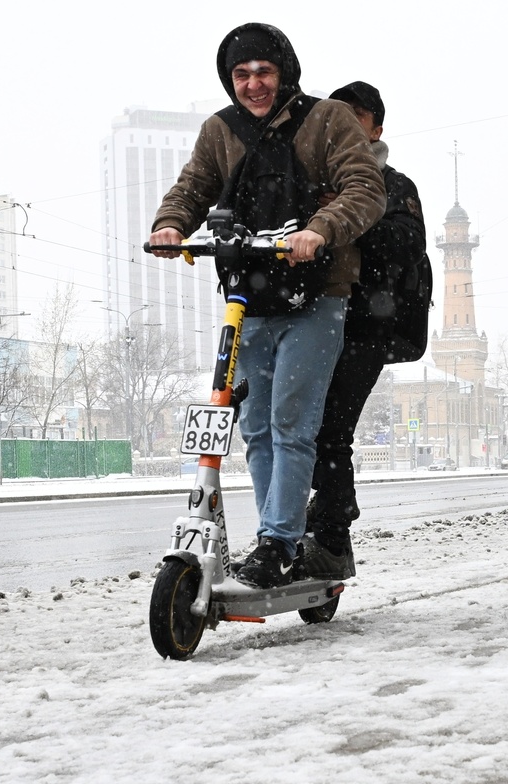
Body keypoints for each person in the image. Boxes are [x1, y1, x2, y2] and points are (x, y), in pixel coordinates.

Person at [148, 23, 385, 589]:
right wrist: (171, 223)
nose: (253, 84)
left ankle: (278, 541)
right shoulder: (220, 130)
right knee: (255, 426)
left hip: (316, 294)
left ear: (285, 72)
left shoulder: (326, 119)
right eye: (241, 74)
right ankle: (277, 539)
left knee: (291, 423)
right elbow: (193, 185)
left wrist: (320, 229)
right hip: (248, 296)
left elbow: (365, 187)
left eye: (264, 72)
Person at [303, 81, 428, 581]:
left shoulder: (394, 185)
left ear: (376, 128)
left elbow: (407, 244)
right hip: (311, 320)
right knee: (297, 427)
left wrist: (349, 216)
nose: (347, 125)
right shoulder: (310, 176)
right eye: (337, 115)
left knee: (331, 429)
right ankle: (311, 524)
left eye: (357, 116)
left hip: (365, 328)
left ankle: (332, 534)